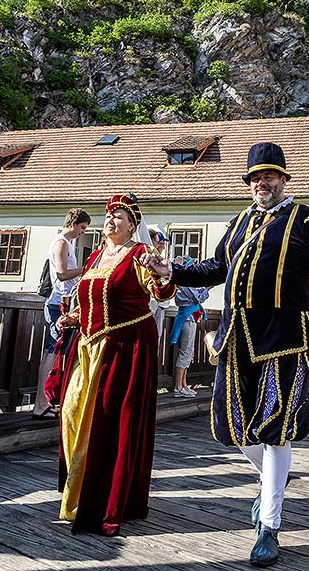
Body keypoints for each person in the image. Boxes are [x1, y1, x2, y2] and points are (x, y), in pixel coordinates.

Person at [145, 142, 309, 567]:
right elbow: (215, 268)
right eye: (256, 177)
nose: (262, 183)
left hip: (285, 336)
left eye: (269, 176)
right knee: (231, 427)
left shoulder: (305, 219)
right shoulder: (239, 221)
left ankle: (269, 525)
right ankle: (273, 478)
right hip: (238, 336)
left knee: (276, 430)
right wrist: (171, 270)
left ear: (283, 179)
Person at [55, 193, 175, 535]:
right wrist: (74, 318)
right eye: (109, 215)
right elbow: (91, 300)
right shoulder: (94, 256)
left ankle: (104, 499)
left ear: (132, 225)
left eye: (119, 217)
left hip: (125, 347)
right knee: (73, 412)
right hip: (89, 348)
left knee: (109, 419)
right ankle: (78, 491)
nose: (111, 220)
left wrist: (163, 273)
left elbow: (160, 293)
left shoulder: (139, 255)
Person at [33, 208, 91, 418]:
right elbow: (62, 273)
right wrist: (87, 269)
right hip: (58, 304)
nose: (83, 232)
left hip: (65, 304)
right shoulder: (60, 242)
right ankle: (40, 404)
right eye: (82, 228)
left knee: (58, 353)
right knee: (52, 351)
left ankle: (48, 400)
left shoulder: (68, 243)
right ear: (74, 223)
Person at [170, 262, 209, 398]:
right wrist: (208, 288)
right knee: (185, 351)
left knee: (189, 351)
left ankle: (184, 384)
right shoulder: (184, 282)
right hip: (186, 317)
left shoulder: (187, 282)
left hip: (191, 317)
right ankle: (178, 387)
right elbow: (198, 297)